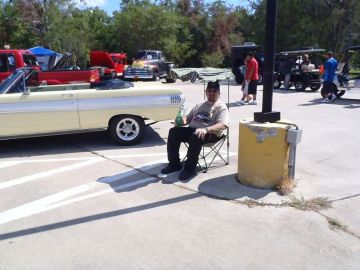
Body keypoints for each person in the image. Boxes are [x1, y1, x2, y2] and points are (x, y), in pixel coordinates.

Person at [161, 81, 229, 181]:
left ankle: (189, 168)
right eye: (209, 90)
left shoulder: (221, 107)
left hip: (210, 133)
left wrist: (206, 129)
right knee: (173, 132)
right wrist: (179, 122)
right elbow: (188, 119)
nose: (211, 93)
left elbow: (223, 124)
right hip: (193, 130)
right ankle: (174, 164)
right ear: (206, 92)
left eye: (214, 91)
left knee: (196, 135)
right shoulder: (199, 105)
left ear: (218, 93)